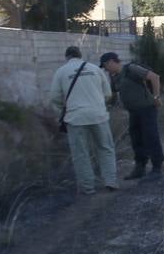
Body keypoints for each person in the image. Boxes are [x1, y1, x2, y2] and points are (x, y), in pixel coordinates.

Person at [50, 46, 117, 194]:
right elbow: (107, 94)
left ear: (67, 57)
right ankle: (110, 181)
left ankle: (88, 187)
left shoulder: (61, 72)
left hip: (75, 118)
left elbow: (54, 98)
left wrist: (67, 107)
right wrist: (97, 103)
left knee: (81, 153)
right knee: (106, 149)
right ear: (80, 56)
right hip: (99, 115)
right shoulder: (95, 69)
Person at [100, 52, 164, 179]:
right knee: (136, 139)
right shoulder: (114, 77)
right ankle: (140, 168)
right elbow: (113, 97)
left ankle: (157, 168)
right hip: (133, 112)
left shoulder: (131, 69)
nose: (105, 69)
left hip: (147, 109)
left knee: (151, 137)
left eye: (105, 66)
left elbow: (154, 77)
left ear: (111, 62)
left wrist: (156, 97)